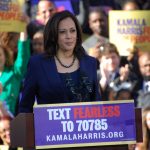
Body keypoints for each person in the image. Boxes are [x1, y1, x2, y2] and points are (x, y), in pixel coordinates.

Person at [19, 10, 101, 113]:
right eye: (62, 32)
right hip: (49, 128)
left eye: (72, 31)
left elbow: (97, 105)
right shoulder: (37, 64)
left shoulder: (90, 63)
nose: (69, 36)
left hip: (85, 127)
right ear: (53, 35)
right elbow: (25, 107)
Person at [0, 30, 30, 115]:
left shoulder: (14, 73)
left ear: (5, 55)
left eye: (0, 55)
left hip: (7, 123)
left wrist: (23, 29)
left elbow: (22, 57)